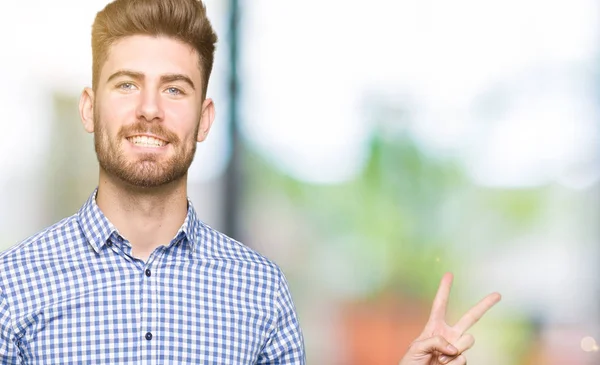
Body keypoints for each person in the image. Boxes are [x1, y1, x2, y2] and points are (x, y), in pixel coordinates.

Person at [0, 0, 500, 364]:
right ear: (90, 108)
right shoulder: (12, 286)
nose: (149, 109)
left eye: (174, 89)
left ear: (204, 119)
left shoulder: (260, 290)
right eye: (127, 84)